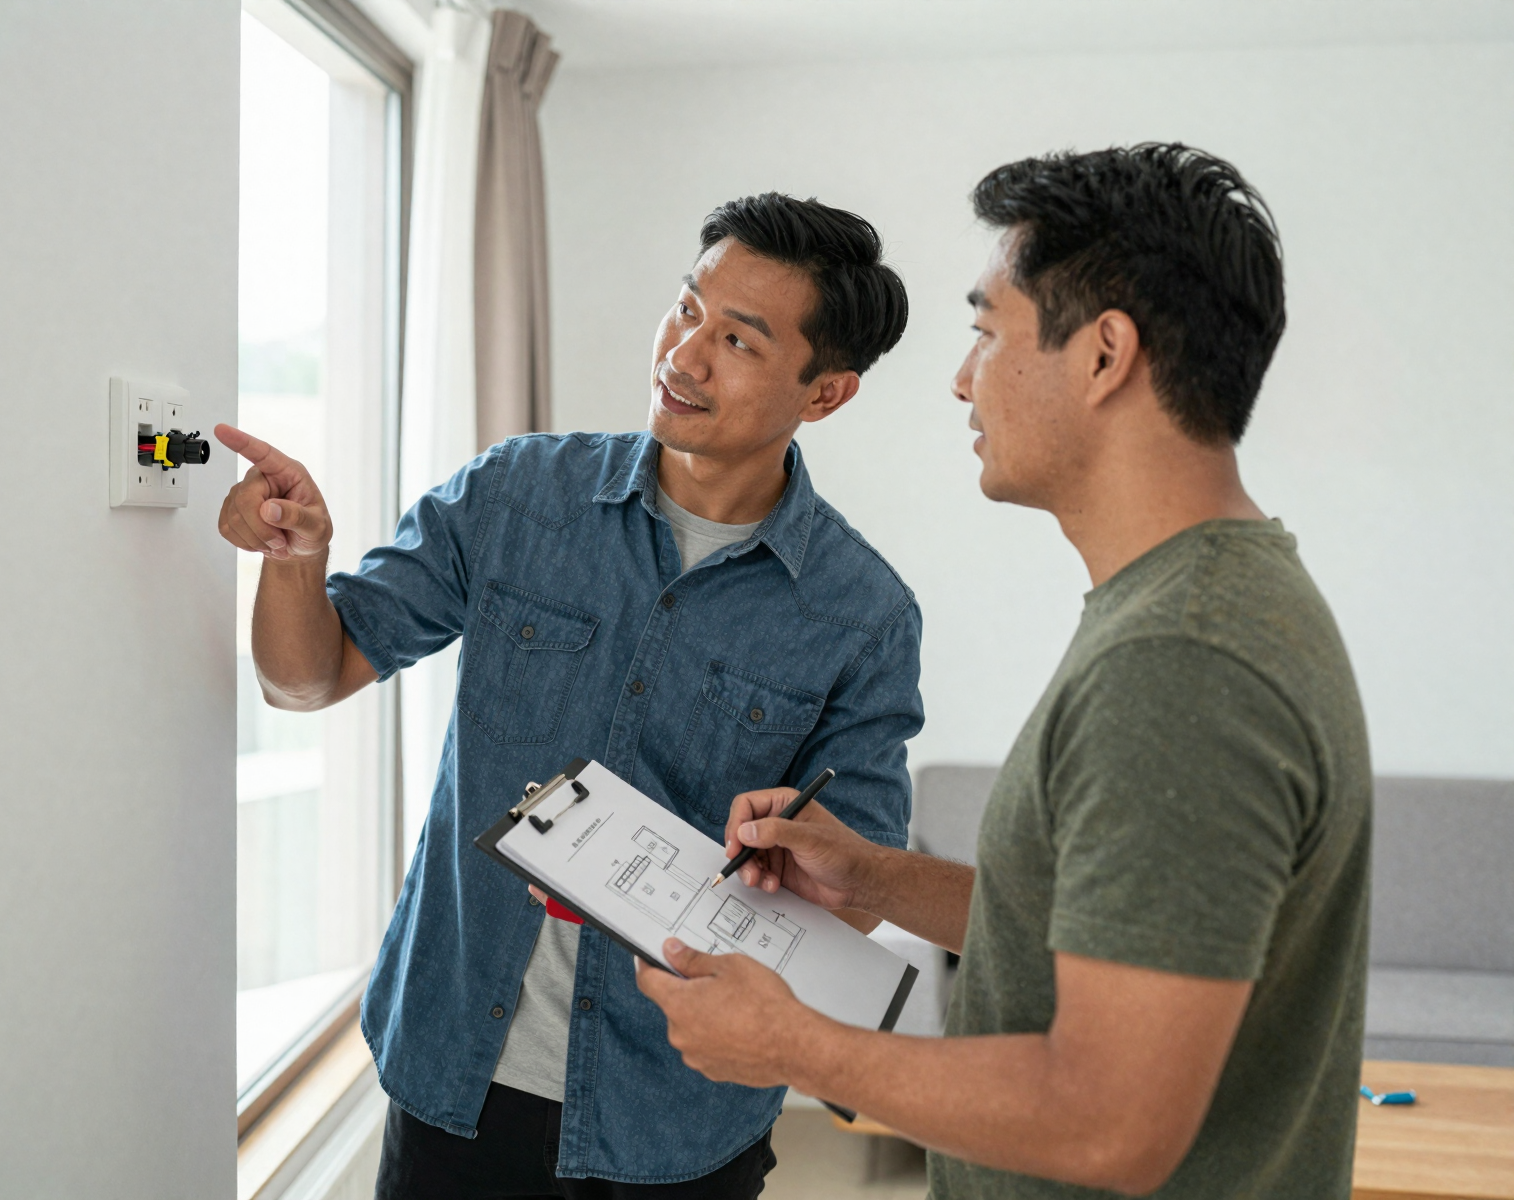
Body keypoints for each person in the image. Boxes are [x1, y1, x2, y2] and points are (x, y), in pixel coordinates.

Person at [638, 145, 1373, 1200]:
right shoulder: (1207, 600)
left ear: (1103, 355)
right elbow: (1122, 928)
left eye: (986, 331)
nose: (958, 377)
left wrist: (793, 1045)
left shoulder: (1180, 664)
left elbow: (1108, 1124)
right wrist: (878, 878)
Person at [214, 193, 923, 1199]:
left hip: (677, 1111)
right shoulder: (518, 494)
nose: (684, 354)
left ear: (826, 394)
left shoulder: (864, 616)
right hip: (454, 1073)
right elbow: (307, 677)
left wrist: (783, 874)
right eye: (686, 309)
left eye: (737, 339)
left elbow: (853, 891)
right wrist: (298, 558)